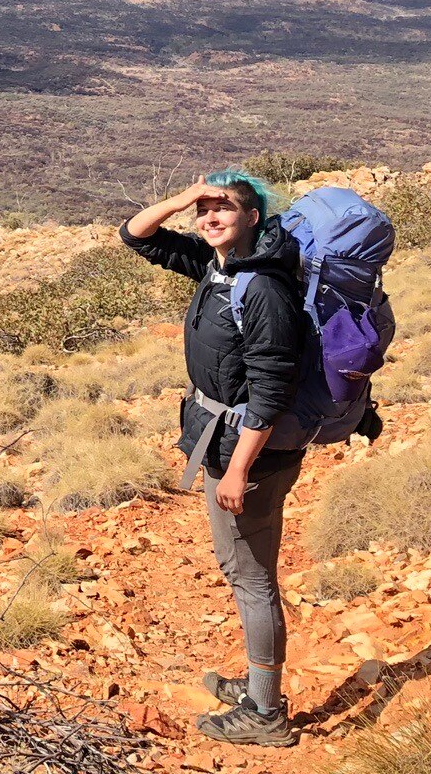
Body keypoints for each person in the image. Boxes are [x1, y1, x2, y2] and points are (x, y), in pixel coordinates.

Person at [121, 170, 304, 748]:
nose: (210, 217)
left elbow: (271, 388)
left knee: (250, 578)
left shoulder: (263, 290)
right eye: (205, 211)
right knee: (244, 571)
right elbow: (136, 236)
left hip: (246, 452)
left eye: (224, 207)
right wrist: (181, 200)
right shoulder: (217, 267)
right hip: (222, 440)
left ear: (254, 217)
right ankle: (259, 685)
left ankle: (265, 713)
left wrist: (240, 468)